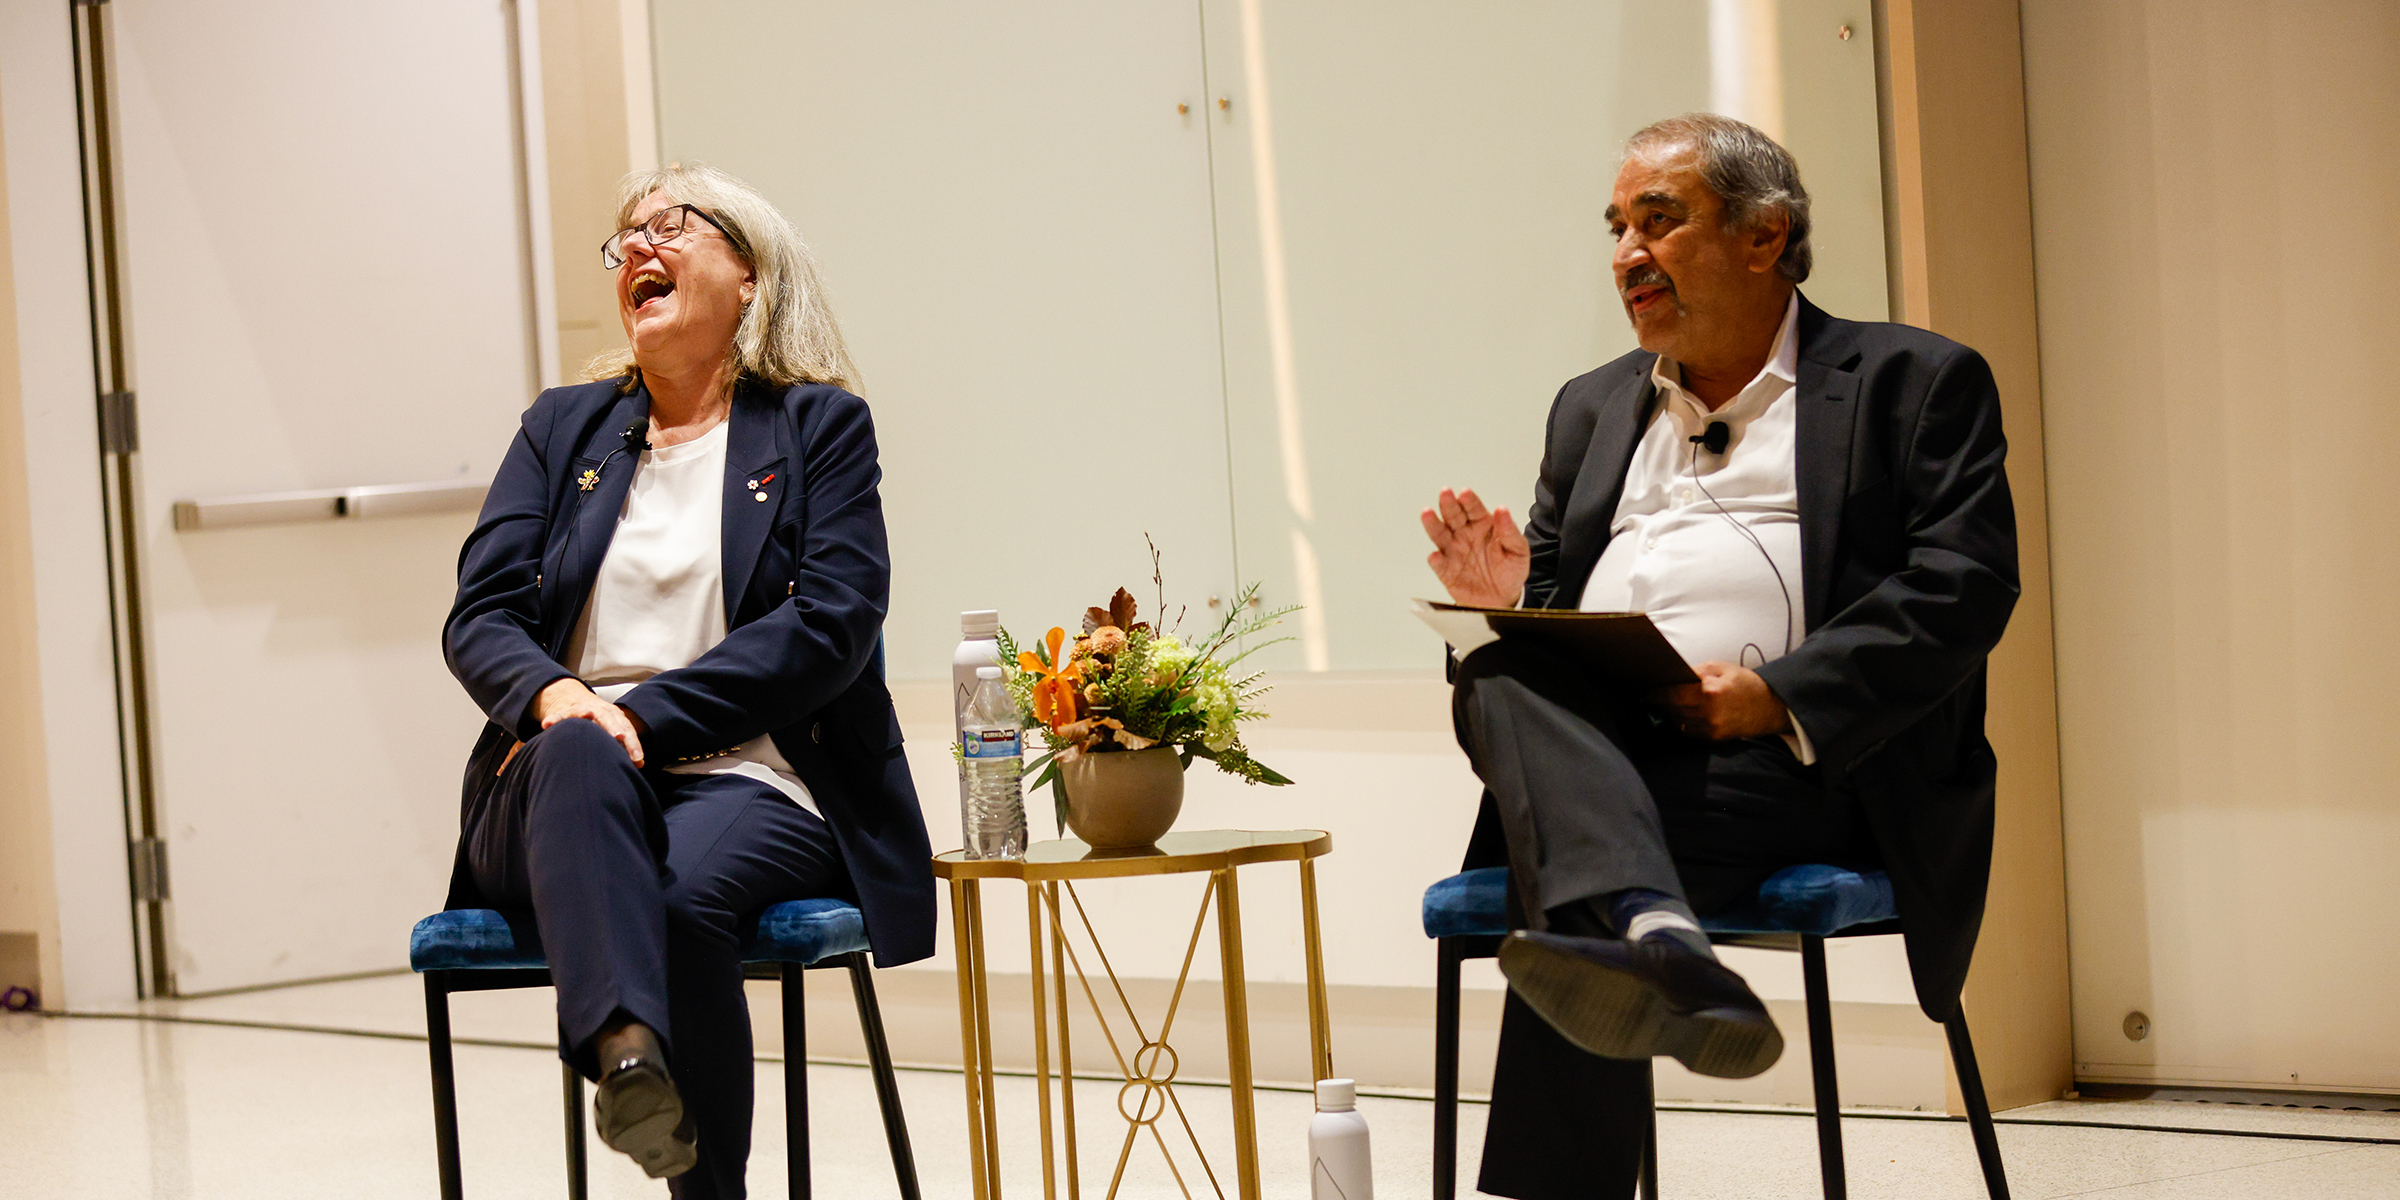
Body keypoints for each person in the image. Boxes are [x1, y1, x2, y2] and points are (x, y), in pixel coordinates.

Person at [1420, 113, 2018, 1199]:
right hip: (1618, 759)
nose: (1626, 256)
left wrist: (1776, 699)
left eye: (1659, 221)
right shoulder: (1593, 406)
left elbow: (1964, 588)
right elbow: (1554, 607)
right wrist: (1511, 602)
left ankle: (1636, 940)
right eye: (1615, 229)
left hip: (1807, 769)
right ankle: (1662, 940)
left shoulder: (1910, 382)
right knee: (1501, 670)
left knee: (1564, 872)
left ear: (1764, 237)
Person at [441, 162, 933, 1198]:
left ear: (748, 273)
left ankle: (632, 1071)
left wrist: (641, 718)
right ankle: (627, 1053)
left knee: (675, 897)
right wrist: (561, 701)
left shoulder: (816, 430)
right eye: (625, 241)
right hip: (555, 781)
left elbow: (832, 625)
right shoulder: (560, 428)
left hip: (751, 778)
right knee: (578, 750)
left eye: (670, 226)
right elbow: (480, 614)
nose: (640, 251)